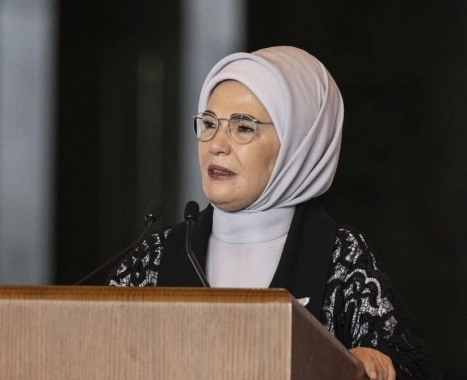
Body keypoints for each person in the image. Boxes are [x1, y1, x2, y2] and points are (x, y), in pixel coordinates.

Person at [109, 46, 440, 379]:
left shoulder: (340, 257)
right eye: (208, 123)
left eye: (243, 128)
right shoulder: (155, 257)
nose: (216, 145)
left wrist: (370, 364)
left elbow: (408, 363)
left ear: (298, 143)